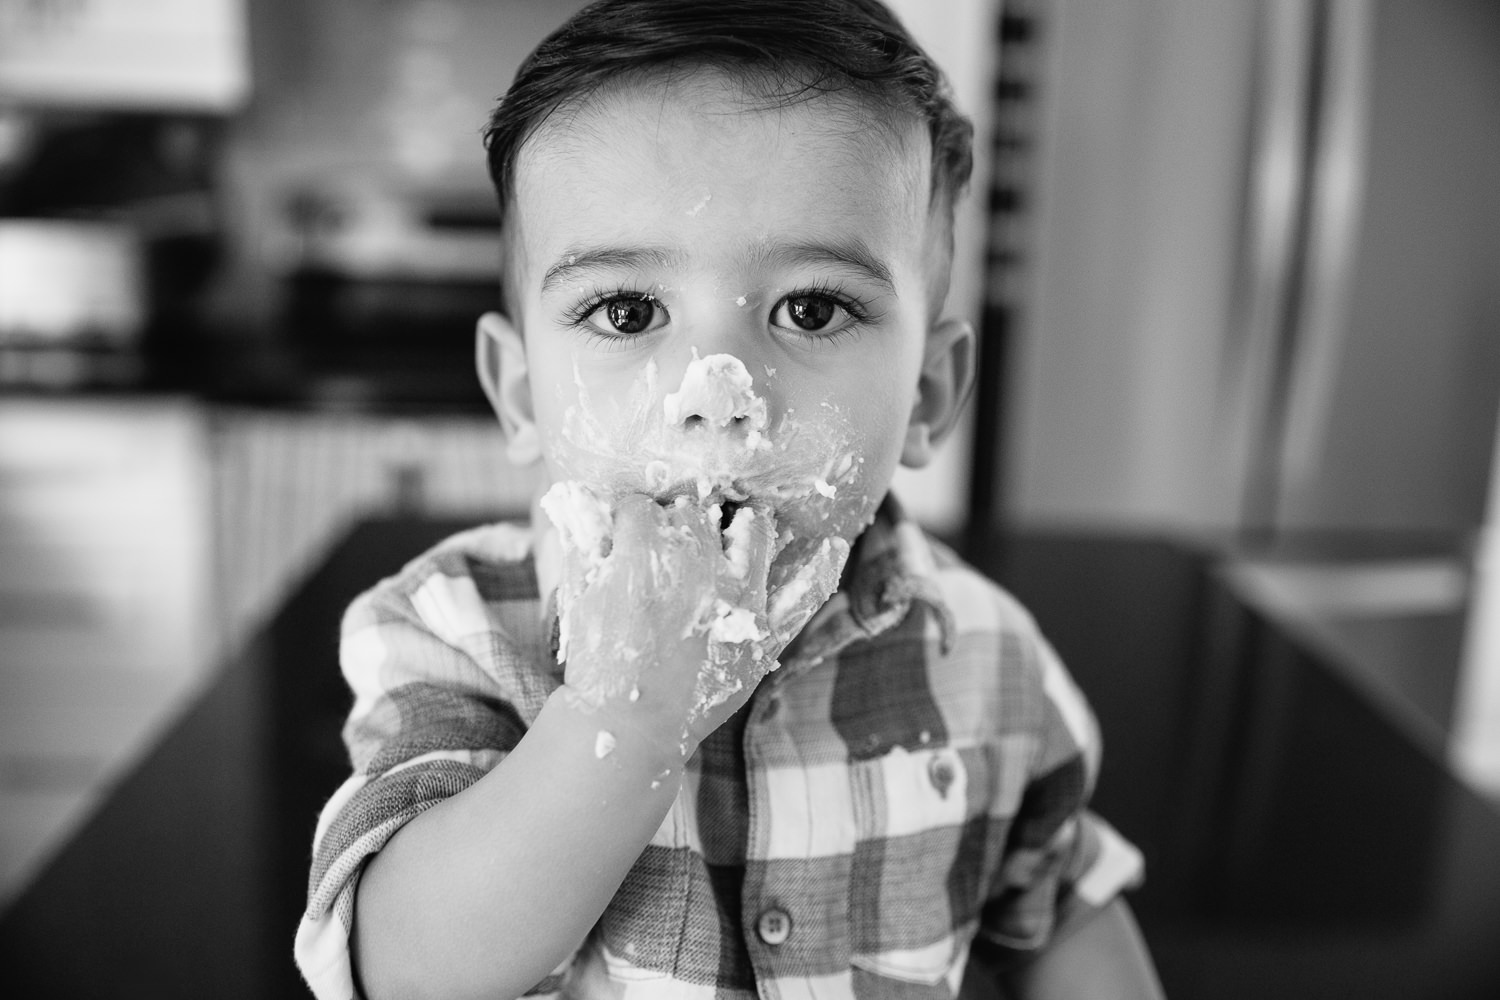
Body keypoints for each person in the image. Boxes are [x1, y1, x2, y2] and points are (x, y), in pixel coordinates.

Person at [294, 1, 1164, 998]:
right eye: (627, 311)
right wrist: (620, 722)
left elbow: (1061, 912)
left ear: (926, 394)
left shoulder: (986, 656)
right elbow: (404, 970)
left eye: (812, 307)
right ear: (523, 391)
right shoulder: (462, 634)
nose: (716, 390)